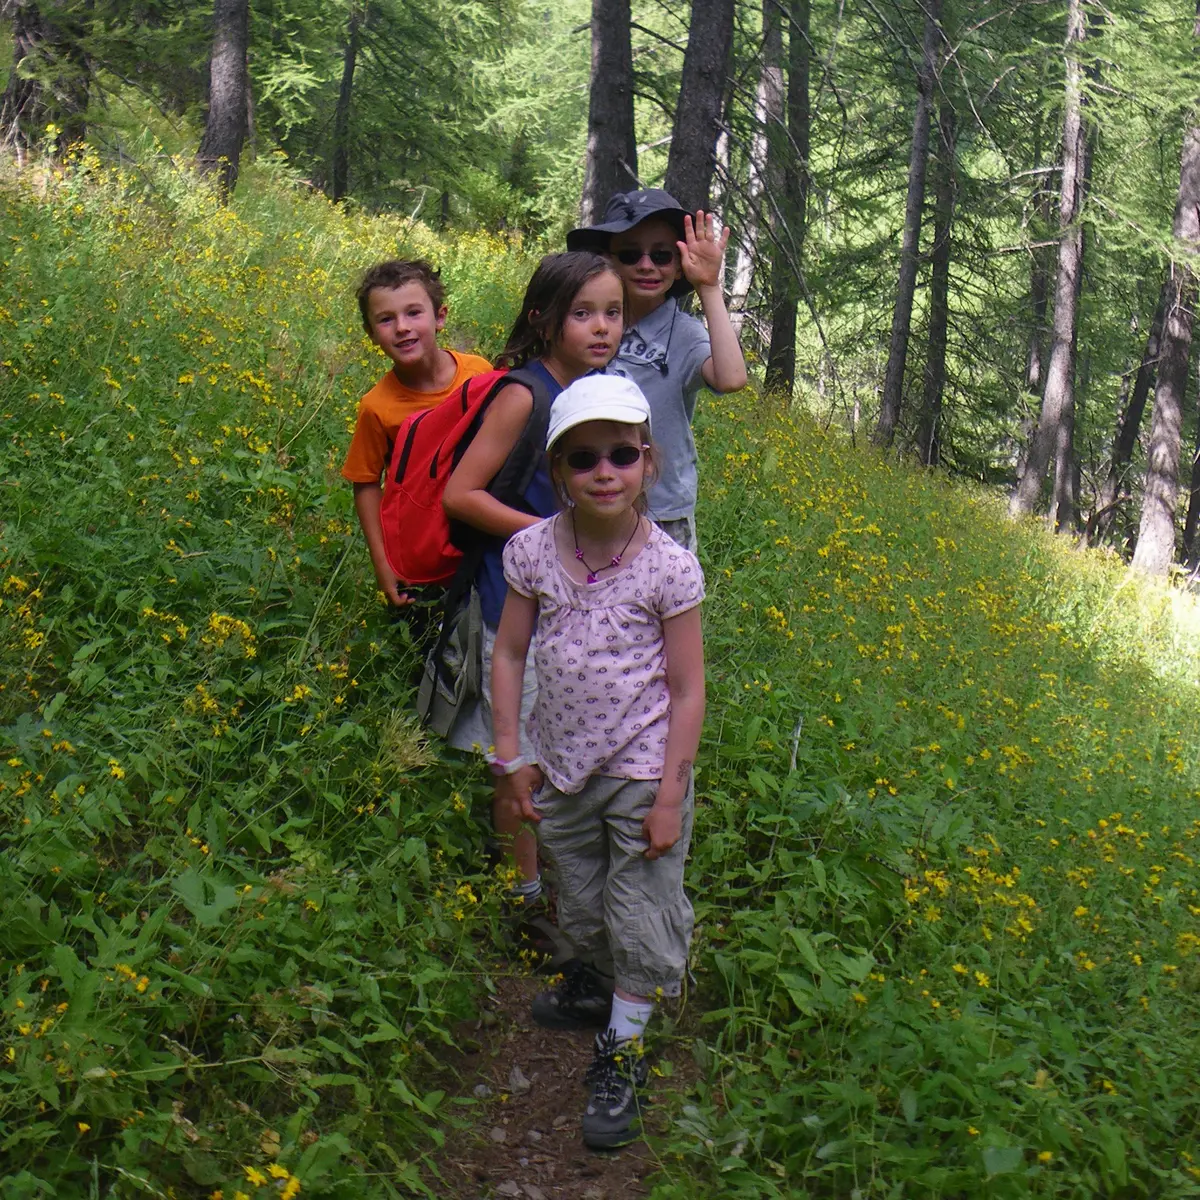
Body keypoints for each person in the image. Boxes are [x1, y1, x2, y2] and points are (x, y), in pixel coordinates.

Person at [489, 374, 706, 1149]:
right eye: (584, 459)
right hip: (562, 763)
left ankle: (623, 1050)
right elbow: (509, 653)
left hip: (643, 768)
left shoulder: (669, 569)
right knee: (580, 901)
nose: (604, 472)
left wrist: (670, 797)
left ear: (648, 461)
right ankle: (594, 987)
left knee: (640, 909)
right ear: (558, 470)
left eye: (622, 454)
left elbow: (687, 689)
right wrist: (510, 756)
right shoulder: (532, 552)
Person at [442, 251, 624, 926]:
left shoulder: (602, 392)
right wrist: (557, 535)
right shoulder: (526, 394)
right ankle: (521, 894)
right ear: (545, 320)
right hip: (511, 605)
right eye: (583, 314)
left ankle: (555, 870)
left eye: (613, 313)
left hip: (573, 609)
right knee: (514, 751)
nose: (601, 327)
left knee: (564, 739)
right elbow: (461, 495)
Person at [567, 189, 748, 553]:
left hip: (662, 513)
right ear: (607, 260)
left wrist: (708, 286)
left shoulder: (684, 334)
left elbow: (731, 379)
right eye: (630, 254)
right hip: (586, 502)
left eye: (662, 255)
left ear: (679, 265)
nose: (647, 265)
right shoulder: (586, 324)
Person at [342, 259, 491, 610]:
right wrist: (384, 563)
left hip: (484, 537)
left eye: (413, 313)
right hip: (421, 559)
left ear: (440, 316)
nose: (402, 328)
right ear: (370, 332)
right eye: (386, 319)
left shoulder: (479, 373)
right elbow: (365, 484)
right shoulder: (377, 407)